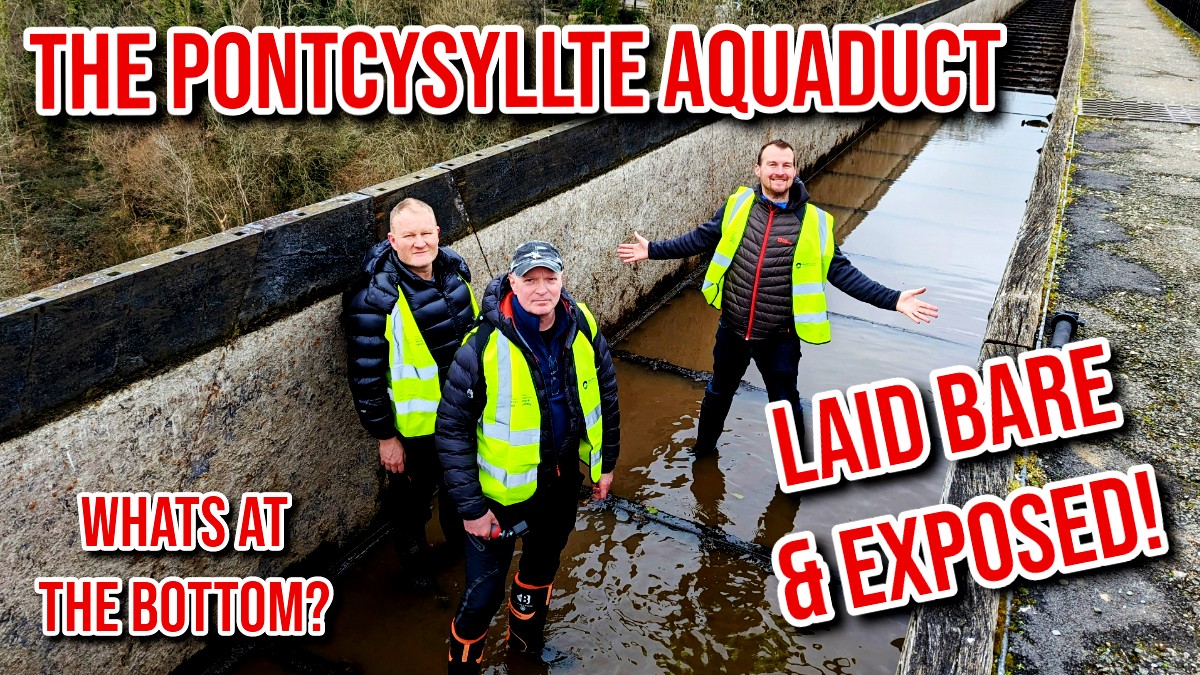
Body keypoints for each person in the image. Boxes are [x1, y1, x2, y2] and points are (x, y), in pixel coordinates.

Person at [617, 139, 938, 457]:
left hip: (779, 339)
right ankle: (702, 454)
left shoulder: (814, 223)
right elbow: (700, 238)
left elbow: (843, 273)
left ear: (795, 171)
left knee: (785, 403)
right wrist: (652, 250)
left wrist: (893, 299)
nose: (779, 171)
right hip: (732, 329)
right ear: (758, 169)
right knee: (717, 392)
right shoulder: (738, 206)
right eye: (772, 164)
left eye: (786, 165)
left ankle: (797, 469)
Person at [437, 241, 620, 673]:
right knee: (482, 598)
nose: (542, 289)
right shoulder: (481, 344)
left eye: (550, 278)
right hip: (496, 499)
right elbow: (450, 430)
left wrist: (605, 463)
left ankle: (525, 649)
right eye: (530, 279)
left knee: (538, 575)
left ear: (562, 280)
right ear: (512, 281)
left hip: (557, 490)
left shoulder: (583, 326)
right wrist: (471, 509)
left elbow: (607, 395)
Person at [342, 198, 479, 589]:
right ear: (392, 240)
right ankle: (418, 578)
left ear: (437, 234)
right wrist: (386, 438)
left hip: (460, 418)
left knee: (461, 493)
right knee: (410, 509)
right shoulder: (374, 299)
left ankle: (459, 558)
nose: (419, 243)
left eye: (425, 233)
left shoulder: (455, 274)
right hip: (411, 432)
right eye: (409, 236)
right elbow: (365, 378)